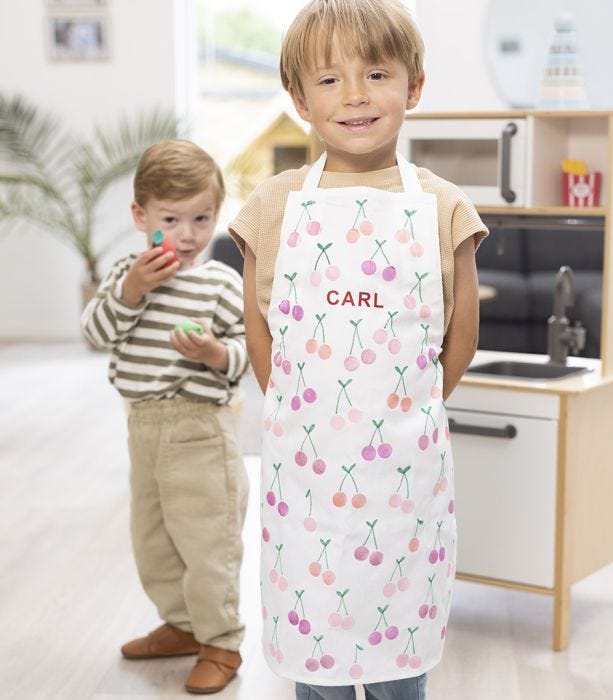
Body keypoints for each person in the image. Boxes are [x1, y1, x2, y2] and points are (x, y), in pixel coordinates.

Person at [230, 1, 488, 697]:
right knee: (315, 648)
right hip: (306, 475)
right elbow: (261, 321)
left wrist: (416, 407)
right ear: (298, 100)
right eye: (329, 79)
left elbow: (459, 329)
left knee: (400, 655)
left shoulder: (442, 204)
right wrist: (290, 407)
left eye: (376, 73)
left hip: (402, 472)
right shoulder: (273, 204)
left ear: (414, 86)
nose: (355, 96)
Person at [81, 139, 249, 695]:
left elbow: (252, 350)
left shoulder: (220, 284)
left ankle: (220, 642)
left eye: (201, 218)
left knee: (208, 543)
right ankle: (181, 626)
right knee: (153, 539)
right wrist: (131, 290)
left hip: (200, 429)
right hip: (143, 426)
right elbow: (96, 333)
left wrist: (214, 355)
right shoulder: (128, 276)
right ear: (141, 216)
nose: (187, 234)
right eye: (171, 219)